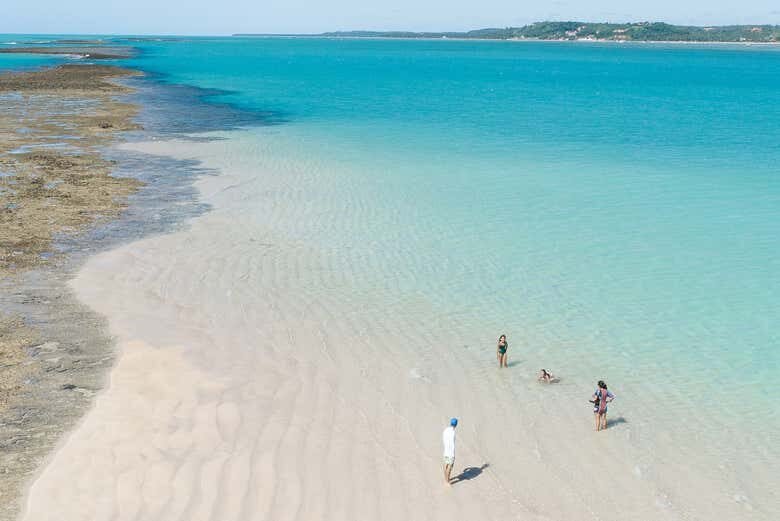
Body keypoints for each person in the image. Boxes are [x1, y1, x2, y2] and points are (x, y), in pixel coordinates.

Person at [442, 418, 458, 485]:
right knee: (450, 466)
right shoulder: (453, 432)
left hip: (445, 450)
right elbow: (452, 443)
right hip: (451, 452)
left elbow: (443, 438)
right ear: (456, 425)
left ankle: (446, 478)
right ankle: (447, 481)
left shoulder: (445, 430)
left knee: (446, 464)